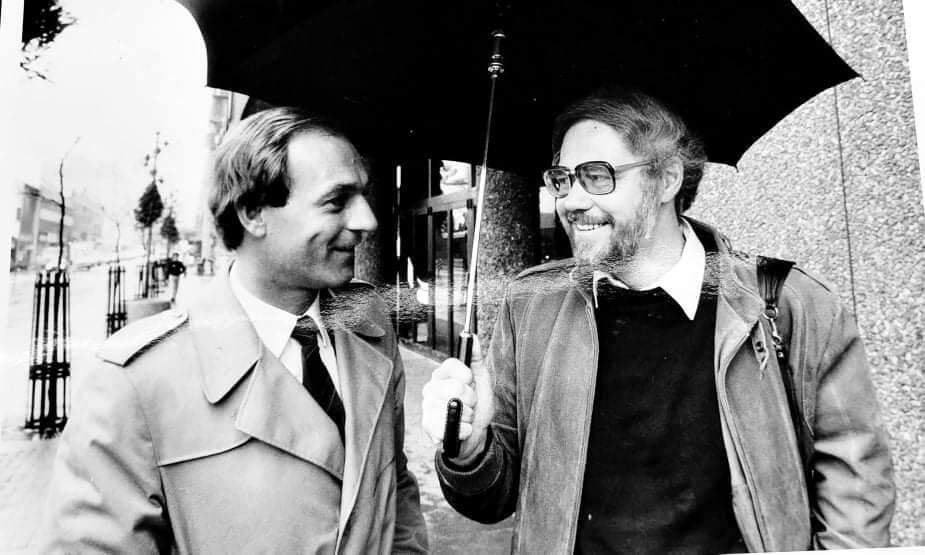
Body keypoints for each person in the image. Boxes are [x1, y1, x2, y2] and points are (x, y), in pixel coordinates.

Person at [421, 88, 895, 553]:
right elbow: (492, 500)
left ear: (667, 179)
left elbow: (856, 489)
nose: (570, 200)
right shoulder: (531, 306)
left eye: (597, 176)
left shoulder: (786, 302)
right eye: (562, 179)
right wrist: (470, 446)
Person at [42, 107, 428, 553]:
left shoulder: (369, 325)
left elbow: (395, 489)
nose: (367, 221)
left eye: (363, 195)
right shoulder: (134, 381)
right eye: (336, 201)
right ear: (252, 213)